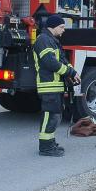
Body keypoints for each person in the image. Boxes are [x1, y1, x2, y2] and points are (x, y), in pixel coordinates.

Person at [33, 15, 80, 157]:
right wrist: (70, 72)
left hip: (55, 85)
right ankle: (45, 147)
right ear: (52, 26)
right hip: (48, 85)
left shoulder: (53, 41)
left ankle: (50, 142)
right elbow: (50, 63)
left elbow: (62, 60)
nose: (63, 30)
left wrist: (73, 73)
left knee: (56, 116)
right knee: (50, 116)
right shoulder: (43, 40)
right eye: (62, 27)